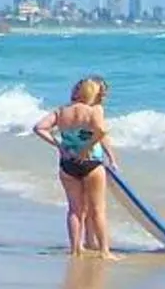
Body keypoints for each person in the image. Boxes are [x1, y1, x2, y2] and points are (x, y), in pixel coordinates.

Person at [33, 77, 118, 258]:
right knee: (98, 210)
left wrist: (60, 146)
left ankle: (75, 249)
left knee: (74, 210)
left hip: (68, 164)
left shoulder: (62, 111)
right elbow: (102, 132)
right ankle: (104, 251)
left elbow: (39, 128)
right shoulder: (93, 111)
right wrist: (90, 150)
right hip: (91, 163)